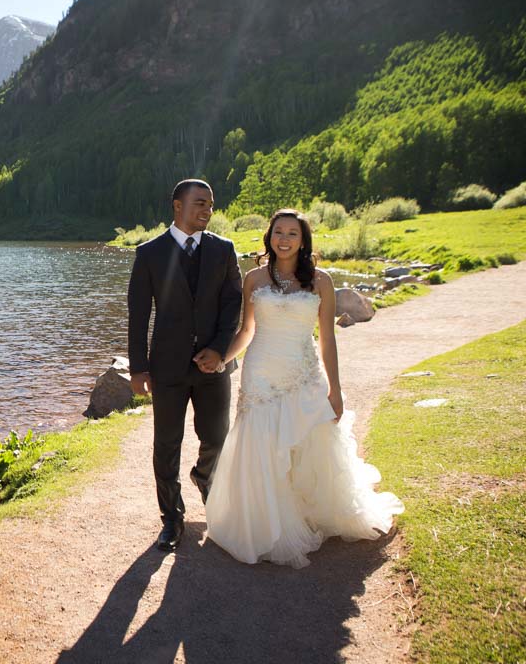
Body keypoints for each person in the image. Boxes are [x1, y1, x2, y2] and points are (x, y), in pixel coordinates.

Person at [204, 208, 404, 568]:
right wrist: (222, 359)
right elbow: (246, 332)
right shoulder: (253, 278)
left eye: (292, 233)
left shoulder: (321, 281)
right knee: (261, 444)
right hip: (261, 371)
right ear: (269, 237)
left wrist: (336, 390)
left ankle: (309, 513)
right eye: (278, 232)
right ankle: (265, 522)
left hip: (303, 372)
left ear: (303, 239)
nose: (284, 239)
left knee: (310, 444)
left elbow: (327, 339)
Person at [127, 178, 243, 552]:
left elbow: (232, 305)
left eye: (210, 204)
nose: (207, 210)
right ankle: (172, 519)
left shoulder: (224, 250)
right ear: (177, 205)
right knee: (166, 445)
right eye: (199, 203)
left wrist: (220, 350)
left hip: (212, 365)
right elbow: (138, 314)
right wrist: (138, 368)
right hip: (167, 367)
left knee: (217, 438)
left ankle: (203, 476)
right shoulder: (149, 253)